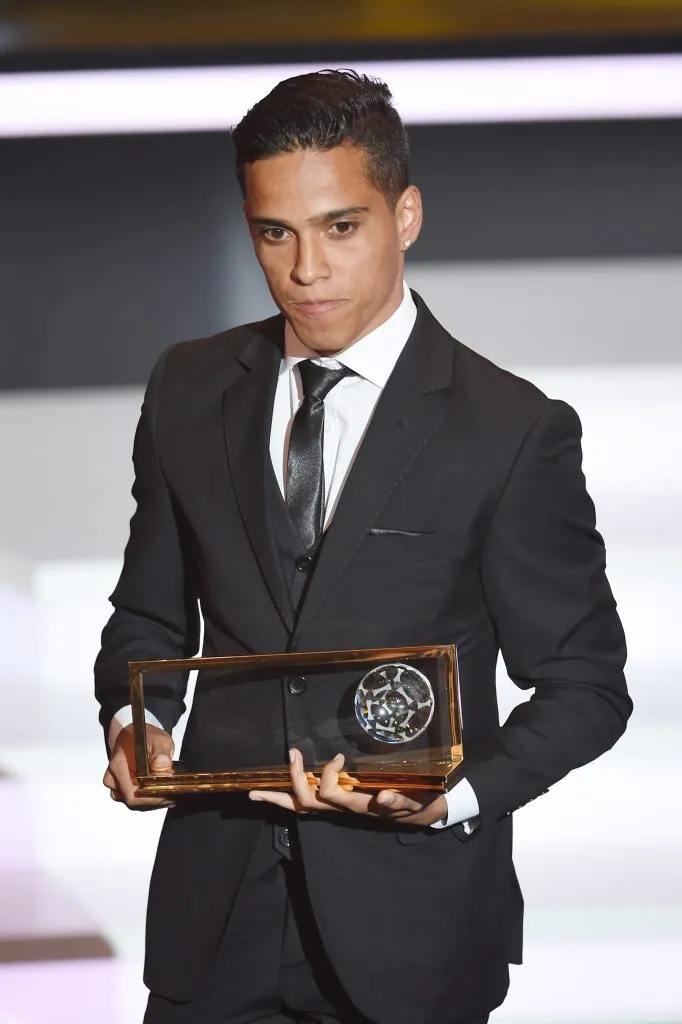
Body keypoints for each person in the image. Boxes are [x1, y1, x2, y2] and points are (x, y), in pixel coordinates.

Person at [95, 70, 631, 1024]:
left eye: (341, 226)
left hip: (412, 927)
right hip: (213, 917)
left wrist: (456, 794)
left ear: (406, 214)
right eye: (276, 233)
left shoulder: (509, 429)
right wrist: (135, 723)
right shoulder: (187, 387)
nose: (307, 269)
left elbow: (587, 684)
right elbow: (147, 613)